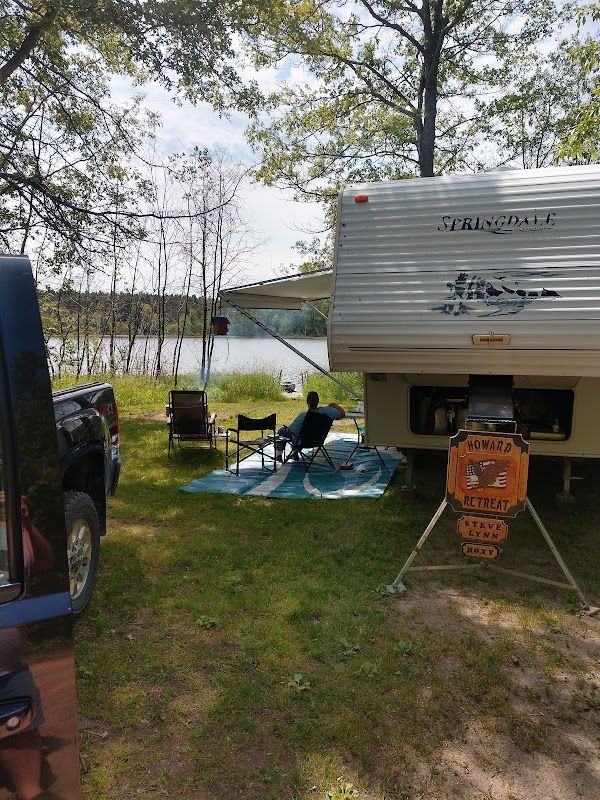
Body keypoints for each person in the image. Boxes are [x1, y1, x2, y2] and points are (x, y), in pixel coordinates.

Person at [275, 391, 345, 460]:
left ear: (307, 402)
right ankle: (294, 452)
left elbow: (292, 430)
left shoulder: (303, 416)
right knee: (300, 434)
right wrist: (333, 405)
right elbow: (342, 414)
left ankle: (279, 455)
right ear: (318, 401)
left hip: (303, 441)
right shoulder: (327, 412)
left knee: (283, 431)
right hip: (318, 440)